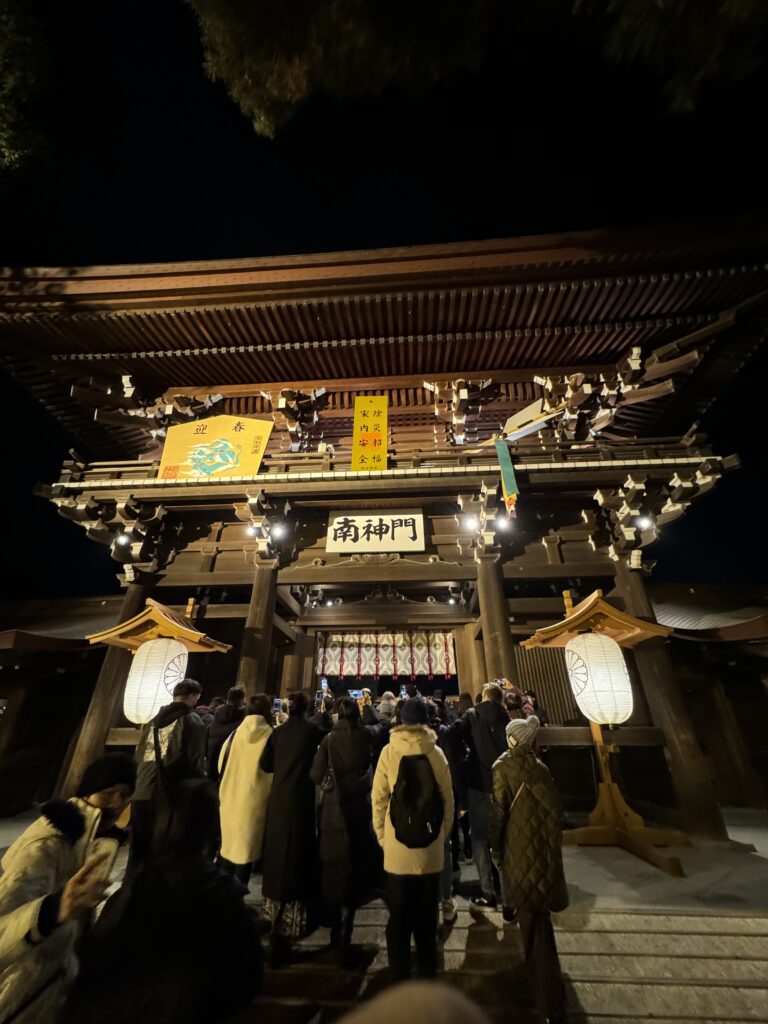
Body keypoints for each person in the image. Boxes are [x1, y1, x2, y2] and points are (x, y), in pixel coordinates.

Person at [59, 779, 263, 1024]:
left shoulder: (130, 895)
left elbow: (91, 975)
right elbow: (246, 983)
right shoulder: (225, 904)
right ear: (213, 830)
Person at [0, 754, 135, 1024]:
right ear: (88, 792)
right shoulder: (44, 847)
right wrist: (53, 909)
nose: (117, 804)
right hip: (15, 995)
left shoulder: (91, 843)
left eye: (125, 795)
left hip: (45, 988)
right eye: (108, 793)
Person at [489, 716, 568, 1024]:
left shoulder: (503, 767)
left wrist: (495, 846)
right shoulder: (542, 769)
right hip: (543, 852)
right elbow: (555, 815)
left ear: (512, 739)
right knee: (541, 922)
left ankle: (546, 998)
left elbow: (498, 812)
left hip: (518, 850)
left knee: (531, 925)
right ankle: (552, 988)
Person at [372, 698, 454, 983]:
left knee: (398, 918)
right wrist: (440, 838)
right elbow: (448, 803)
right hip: (430, 852)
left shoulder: (388, 752)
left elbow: (379, 799)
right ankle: (428, 973)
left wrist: (384, 837)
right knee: (427, 919)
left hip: (397, 849)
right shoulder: (437, 754)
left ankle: (399, 974)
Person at [311, 696, 381, 958]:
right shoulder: (366, 736)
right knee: (356, 862)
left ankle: (334, 927)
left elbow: (316, 774)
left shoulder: (329, 739)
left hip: (333, 808)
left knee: (333, 865)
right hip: (359, 807)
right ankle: (348, 927)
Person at [259, 691, 323, 965]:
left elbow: (265, 764)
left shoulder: (278, 732)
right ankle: (294, 924)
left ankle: (270, 921)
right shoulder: (314, 732)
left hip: (279, 799)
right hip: (302, 799)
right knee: (298, 856)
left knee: (276, 856)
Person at [128, 678, 207, 877]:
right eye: (197, 697)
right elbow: (195, 760)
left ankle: (131, 892)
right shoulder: (192, 720)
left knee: (137, 851)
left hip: (141, 789)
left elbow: (139, 753)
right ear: (191, 696)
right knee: (163, 850)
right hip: (169, 793)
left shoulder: (153, 720)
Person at [451, 682, 509, 908]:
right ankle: (508, 891)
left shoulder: (472, 715)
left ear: (484, 696)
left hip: (478, 783)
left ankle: (488, 890)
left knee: (479, 839)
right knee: (504, 838)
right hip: (502, 784)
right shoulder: (508, 719)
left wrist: (466, 753)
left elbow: (454, 733)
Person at [217, 693, 274, 885]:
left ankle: (220, 901)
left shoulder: (234, 735)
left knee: (227, 855)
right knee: (245, 860)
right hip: (254, 802)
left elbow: (220, 764)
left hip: (229, 799)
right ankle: (236, 901)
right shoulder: (269, 735)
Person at [207, 686, 246, 782]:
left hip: (210, 765)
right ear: (242, 700)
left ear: (228, 699)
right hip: (227, 768)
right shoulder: (243, 719)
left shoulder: (217, 715)